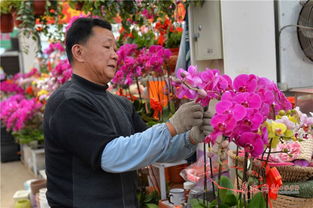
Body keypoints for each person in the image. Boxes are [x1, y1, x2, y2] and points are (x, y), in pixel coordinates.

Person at [44, 17, 212, 208]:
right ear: (79, 52)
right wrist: (172, 126)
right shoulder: (68, 103)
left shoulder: (120, 104)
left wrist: (190, 137)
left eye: (115, 49)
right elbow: (110, 156)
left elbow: (156, 151)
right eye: (107, 47)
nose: (115, 55)